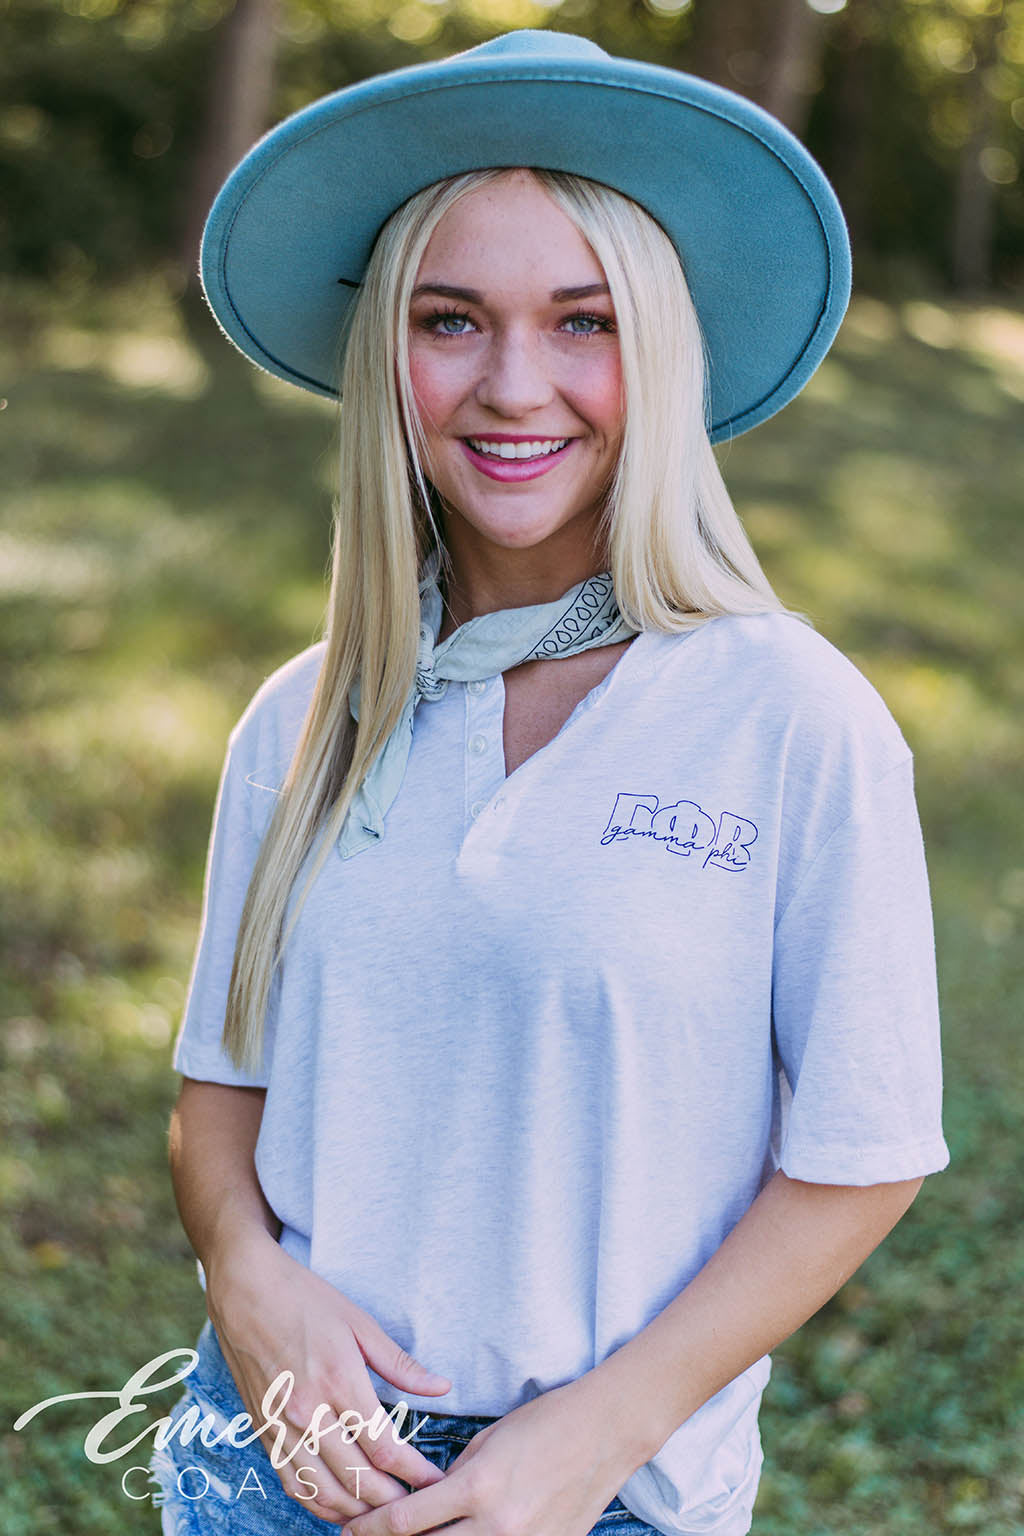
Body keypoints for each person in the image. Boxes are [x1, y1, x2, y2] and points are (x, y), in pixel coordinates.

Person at [148, 29, 950, 1536]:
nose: (516, 388)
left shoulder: (792, 719)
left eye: (585, 322)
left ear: (663, 352)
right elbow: (219, 1093)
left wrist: (596, 1433)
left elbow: (863, 1159)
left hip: (602, 1488)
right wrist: (243, 1279)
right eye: (451, 320)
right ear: (386, 357)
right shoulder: (302, 720)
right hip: (271, 1458)